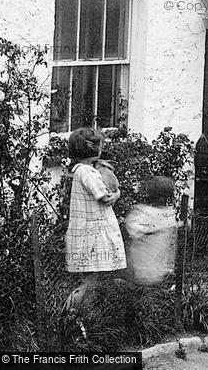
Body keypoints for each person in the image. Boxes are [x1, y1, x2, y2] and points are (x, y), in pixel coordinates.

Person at [63, 127, 126, 311]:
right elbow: (104, 197)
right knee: (90, 281)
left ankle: (81, 316)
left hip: (87, 234)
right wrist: (117, 194)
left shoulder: (79, 170)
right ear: (93, 150)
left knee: (92, 280)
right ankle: (67, 316)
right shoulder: (88, 172)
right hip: (93, 237)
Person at [124, 176, 180, 285]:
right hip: (148, 261)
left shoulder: (165, 212)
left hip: (154, 261)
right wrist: (148, 230)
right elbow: (133, 228)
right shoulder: (146, 212)